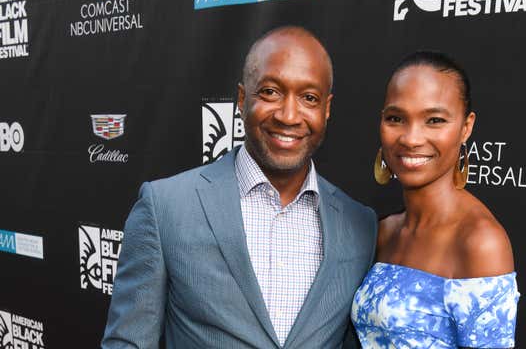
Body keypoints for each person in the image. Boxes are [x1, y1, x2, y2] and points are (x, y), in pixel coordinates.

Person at [102, 26, 377, 349]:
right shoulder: (166, 207)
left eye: (309, 98)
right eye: (271, 92)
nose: (289, 115)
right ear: (243, 99)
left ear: (326, 109)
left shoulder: (360, 225)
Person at [351, 51, 520, 349]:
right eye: (396, 118)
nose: (411, 138)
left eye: (434, 120)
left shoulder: (479, 242)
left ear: (465, 127)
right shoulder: (384, 232)